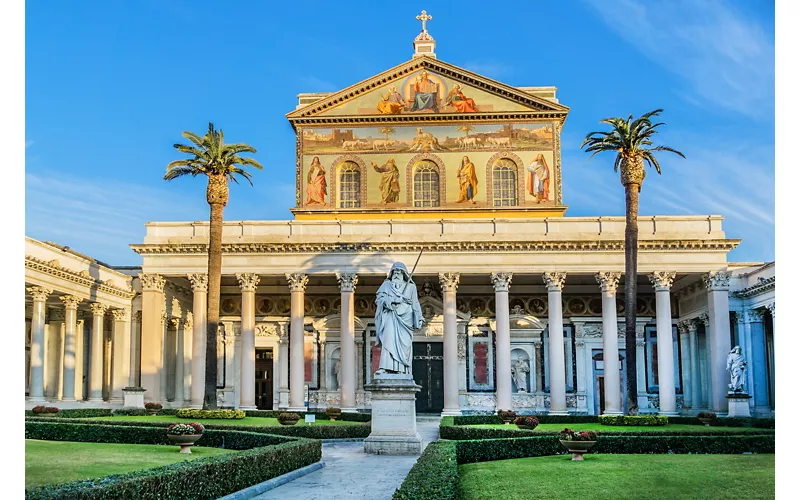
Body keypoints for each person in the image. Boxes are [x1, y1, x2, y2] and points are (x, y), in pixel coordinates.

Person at [374, 262, 424, 374]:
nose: (397, 274)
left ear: (404, 274)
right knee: (388, 339)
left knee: (403, 344)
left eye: (399, 272)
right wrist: (393, 300)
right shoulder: (386, 285)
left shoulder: (411, 287)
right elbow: (379, 300)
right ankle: (384, 367)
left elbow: (415, 303)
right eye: (395, 272)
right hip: (391, 316)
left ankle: (401, 369)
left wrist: (419, 318)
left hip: (406, 319)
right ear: (391, 274)